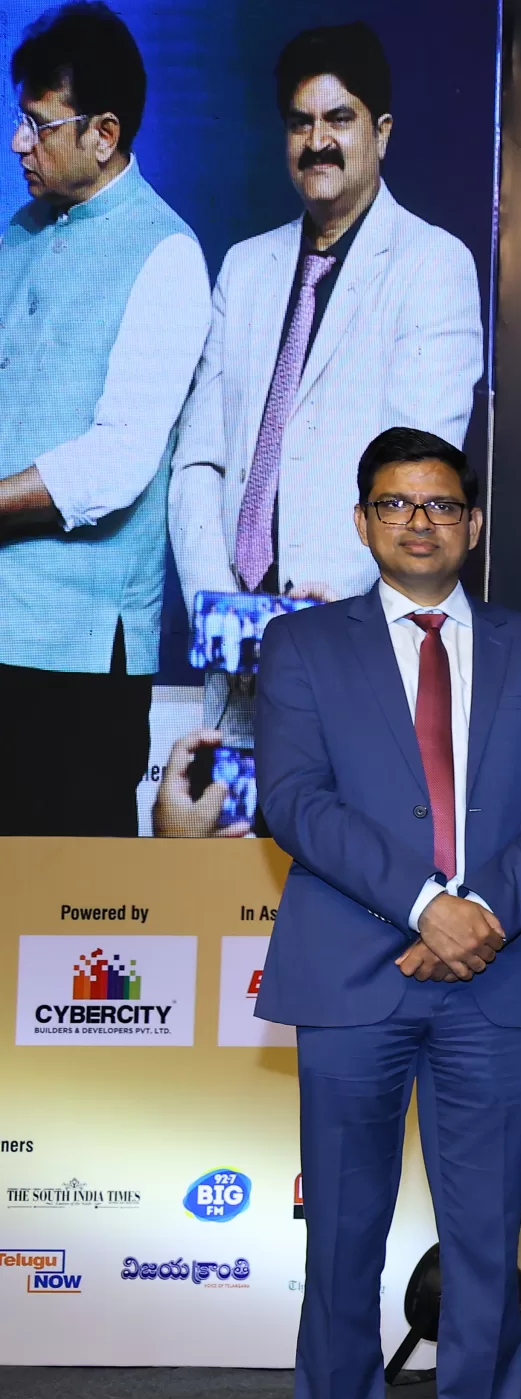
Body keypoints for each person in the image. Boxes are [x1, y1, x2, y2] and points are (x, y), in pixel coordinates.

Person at [255, 427, 521, 1399]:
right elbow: (293, 801)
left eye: (440, 504)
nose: (418, 521)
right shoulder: (302, 646)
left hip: (490, 976)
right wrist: (421, 906)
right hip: (354, 974)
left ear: (473, 524)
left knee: (484, 1247)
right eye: (395, 504)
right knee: (343, 1243)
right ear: (361, 522)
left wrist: (478, 911)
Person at [171, 21, 481, 606]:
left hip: (348, 619)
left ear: (381, 133)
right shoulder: (243, 268)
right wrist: (217, 604)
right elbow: (197, 461)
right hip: (232, 622)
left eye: (339, 119)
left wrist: (331, 604)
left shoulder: (433, 265)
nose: (317, 141)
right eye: (300, 123)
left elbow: (420, 470)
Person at [0, 3, 209, 835]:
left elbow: (119, 459)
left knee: (70, 898)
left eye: (39, 125)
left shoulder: (167, 253)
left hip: (78, 657)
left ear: (105, 134)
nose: (19, 143)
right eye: (20, 121)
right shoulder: (18, 234)